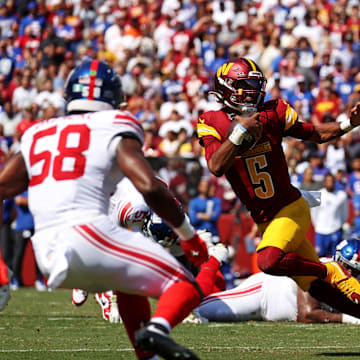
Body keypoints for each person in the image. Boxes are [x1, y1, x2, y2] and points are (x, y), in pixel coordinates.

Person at [0, 60, 210, 360]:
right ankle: (157, 329)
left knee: (128, 282)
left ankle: (147, 355)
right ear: (114, 96)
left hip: (46, 251)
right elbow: (149, 186)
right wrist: (188, 235)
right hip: (88, 235)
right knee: (184, 285)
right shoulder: (116, 123)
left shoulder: (38, 132)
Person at [197, 57, 360, 319]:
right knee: (319, 289)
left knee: (268, 261)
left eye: (255, 84)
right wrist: (239, 133)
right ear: (228, 88)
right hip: (265, 220)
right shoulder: (211, 120)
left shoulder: (273, 112)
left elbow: (315, 133)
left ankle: (330, 269)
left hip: (290, 208)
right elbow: (216, 166)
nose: (254, 90)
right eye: (247, 84)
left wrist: (350, 123)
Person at [197, 237, 360, 324]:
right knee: (198, 312)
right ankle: (212, 260)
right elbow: (307, 314)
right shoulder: (323, 268)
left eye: (356, 271)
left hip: (268, 311)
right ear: (337, 260)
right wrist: (349, 318)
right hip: (262, 292)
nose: (351, 273)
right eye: (348, 267)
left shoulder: (352, 285)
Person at [311, 173, 348, 257]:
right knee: (319, 256)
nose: (330, 183)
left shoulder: (341, 195)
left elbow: (345, 213)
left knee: (335, 256)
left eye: (331, 181)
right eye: (328, 181)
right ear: (324, 182)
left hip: (335, 229)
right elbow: (314, 212)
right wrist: (317, 226)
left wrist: (339, 225)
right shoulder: (318, 194)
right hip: (320, 231)